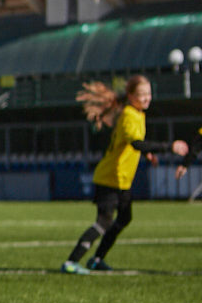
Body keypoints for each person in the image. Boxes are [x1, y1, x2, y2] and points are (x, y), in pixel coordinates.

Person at [61, 75, 187, 274]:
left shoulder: (138, 114)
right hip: (110, 177)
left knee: (125, 217)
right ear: (130, 96)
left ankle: (97, 259)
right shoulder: (129, 114)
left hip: (122, 180)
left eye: (148, 94)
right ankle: (71, 262)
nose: (146, 98)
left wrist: (147, 154)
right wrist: (169, 146)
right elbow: (135, 142)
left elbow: (132, 142)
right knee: (104, 222)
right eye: (141, 94)